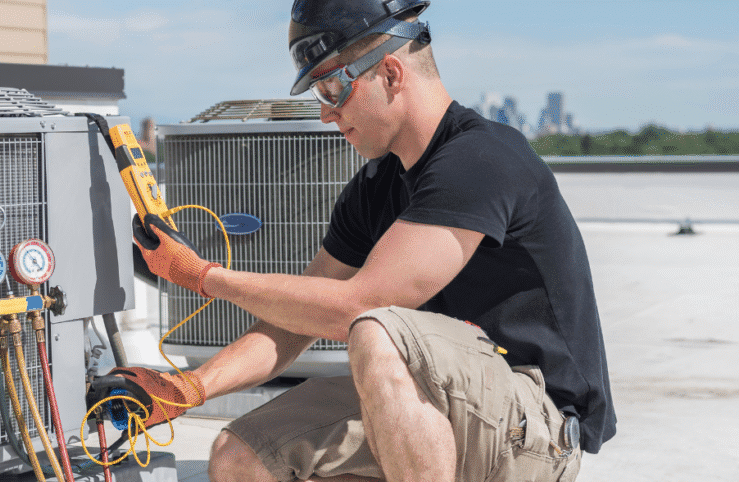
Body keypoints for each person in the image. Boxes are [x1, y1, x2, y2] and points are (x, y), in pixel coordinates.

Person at [90, 0, 616, 480]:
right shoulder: (375, 186)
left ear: (390, 72)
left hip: (535, 428)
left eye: (331, 89)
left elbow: (358, 306)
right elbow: (293, 323)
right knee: (242, 455)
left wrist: (203, 276)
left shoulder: (481, 159)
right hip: (445, 409)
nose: (326, 112)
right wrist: (193, 387)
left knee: (377, 330)